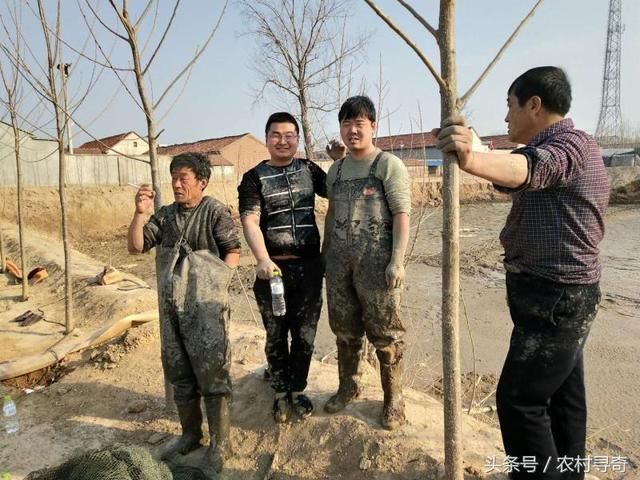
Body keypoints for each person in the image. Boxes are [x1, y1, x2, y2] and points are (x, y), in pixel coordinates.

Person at [436, 66, 609, 479]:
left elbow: (533, 169)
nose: (507, 117)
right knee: (564, 394)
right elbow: (518, 170)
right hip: (559, 297)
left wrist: (473, 158)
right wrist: (477, 149)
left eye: (510, 106)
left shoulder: (570, 146)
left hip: (556, 299)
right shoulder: (555, 147)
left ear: (535, 105)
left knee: (520, 401)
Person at [128, 153, 240, 473]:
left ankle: (221, 443)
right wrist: (139, 214)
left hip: (204, 309)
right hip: (170, 310)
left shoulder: (214, 212)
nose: (177, 184)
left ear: (202, 182)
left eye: (184, 179)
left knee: (212, 374)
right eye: (174, 177)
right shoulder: (164, 216)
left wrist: (215, 286)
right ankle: (190, 434)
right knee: (179, 373)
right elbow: (136, 246)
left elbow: (232, 251)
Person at [238, 112, 340, 423]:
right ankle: (280, 392)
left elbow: (338, 190)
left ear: (297, 138)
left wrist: (339, 160)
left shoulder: (309, 169)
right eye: (276, 135)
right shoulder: (254, 178)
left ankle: (297, 388)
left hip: (309, 268)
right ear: (266, 139)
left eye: (289, 135)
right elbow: (250, 221)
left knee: (306, 335)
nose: (283, 141)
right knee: (275, 333)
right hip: (273, 272)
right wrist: (262, 259)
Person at [323, 95, 411, 430]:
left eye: (359, 123)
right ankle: (349, 386)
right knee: (344, 330)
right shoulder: (338, 169)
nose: (352, 130)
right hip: (339, 263)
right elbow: (330, 213)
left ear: (372, 125)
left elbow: (403, 213)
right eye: (346, 123)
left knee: (385, 333)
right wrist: (326, 254)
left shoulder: (387, 165)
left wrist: (397, 260)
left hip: (377, 265)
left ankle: (394, 400)